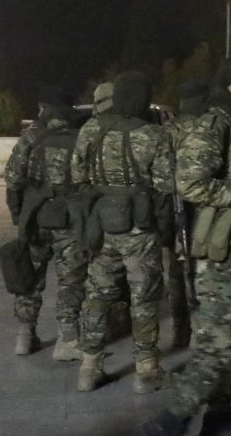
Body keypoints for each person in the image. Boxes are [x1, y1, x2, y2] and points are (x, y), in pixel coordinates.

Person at [143, 56, 231, 436]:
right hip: (219, 250)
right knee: (220, 340)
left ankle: (220, 418)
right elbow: (191, 182)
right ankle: (172, 420)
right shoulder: (215, 123)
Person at [70, 72, 176, 393]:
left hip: (101, 223)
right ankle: (147, 370)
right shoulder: (153, 135)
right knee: (144, 297)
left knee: (97, 295)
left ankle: (89, 368)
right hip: (139, 228)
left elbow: (77, 175)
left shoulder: (91, 129)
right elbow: (167, 184)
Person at [4, 86, 86, 359]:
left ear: (45, 110)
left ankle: (25, 336)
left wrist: (19, 215)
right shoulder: (81, 137)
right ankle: (67, 339)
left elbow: (13, 179)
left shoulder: (30, 137)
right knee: (71, 279)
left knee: (30, 277)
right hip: (69, 220)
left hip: (35, 218)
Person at [163, 79, 210, 349]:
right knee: (205, 267)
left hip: (175, 207)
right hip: (206, 210)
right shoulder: (209, 127)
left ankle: (181, 330)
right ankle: (203, 327)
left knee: (176, 271)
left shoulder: (168, 130)